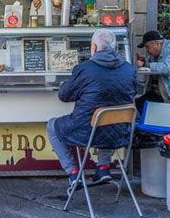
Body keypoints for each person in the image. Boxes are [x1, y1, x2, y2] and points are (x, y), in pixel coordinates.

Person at [47, 29, 136, 187]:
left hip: (85, 131)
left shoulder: (85, 69)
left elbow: (64, 96)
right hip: (121, 131)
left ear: (94, 47)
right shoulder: (130, 70)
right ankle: (103, 167)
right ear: (115, 47)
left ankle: (74, 173)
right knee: (109, 121)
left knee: (52, 126)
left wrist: (67, 85)